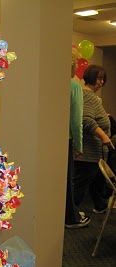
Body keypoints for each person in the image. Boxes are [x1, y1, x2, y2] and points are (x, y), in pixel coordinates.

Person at [73, 64, 113, 214]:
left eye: (103, 79)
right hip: (88, 154)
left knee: (93, 183)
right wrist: (104, 136)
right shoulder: (89, 96)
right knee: (79, 187)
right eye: (99, 78)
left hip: (93, 154)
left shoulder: (90, 97)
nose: (101, 82)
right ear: (90, 78)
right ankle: (71, 217)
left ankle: (100, 206)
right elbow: (86, 120)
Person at [65, 51, 90, 228]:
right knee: (68, 181)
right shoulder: (74, 86)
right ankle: (71, 217)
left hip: (49, 139)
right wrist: (79, 145)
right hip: (65, 139)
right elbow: (76, 120)